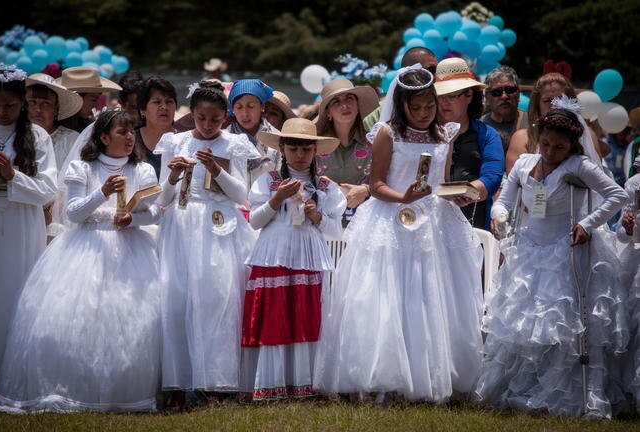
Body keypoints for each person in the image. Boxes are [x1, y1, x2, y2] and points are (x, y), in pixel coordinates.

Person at [314, 66, 484, 404]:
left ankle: (431, 374)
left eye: (429, 107)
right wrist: (403, 197)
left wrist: (457, 194)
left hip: (434, 220)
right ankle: (386, 379)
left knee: (432, 295)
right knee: (390, 297)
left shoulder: (444, 135)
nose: (423, 114)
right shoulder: (387, 133)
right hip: (391, 217)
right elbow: (376, 185)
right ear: (402, 104)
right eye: (416, 108)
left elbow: (441, 180)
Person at [0, 109, 162, 412]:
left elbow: (156, 212)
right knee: (80, 316)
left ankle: (128, 387)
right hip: (87, 246)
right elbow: (73, 213)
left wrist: (131, 219)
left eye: (131, 132)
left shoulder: (143, 170)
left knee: (134, 317)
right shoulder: (83, 167)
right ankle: (71, 386)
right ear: (104, 137)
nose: (130, 137)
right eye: (122, 132)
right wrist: (103, 192)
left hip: (132, 247)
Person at [475, 105, 628, 419]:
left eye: (559, 147)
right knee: (524, 323)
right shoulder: (524, 163)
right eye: (545, 144)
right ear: (537, 138)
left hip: (565, 248)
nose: (551, 152)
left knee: (560, 322)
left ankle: (564, 391)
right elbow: (505, 199)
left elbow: (617, 195)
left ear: (572, 145)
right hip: (530, 248)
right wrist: (500, 214)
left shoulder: (578, 166)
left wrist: (588, 223)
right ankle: (523, 388)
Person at [154, 81, 260, 410]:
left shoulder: (235, 144)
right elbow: (163, 198)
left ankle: (217, 381)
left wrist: (217, 169)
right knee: (178, 300)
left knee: (218, 300)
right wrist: (173, 177)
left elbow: (242, 195)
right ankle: (177, 382)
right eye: (201, 118)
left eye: (215, 120)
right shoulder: (176, 142)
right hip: (183, 224)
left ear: (225, 118)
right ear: (192, 115)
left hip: (220, 225)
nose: (208, 125)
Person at [240, 118, 346, 402]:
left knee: (305, 314)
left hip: (308, 254)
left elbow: (336, 229)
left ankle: (305, 382)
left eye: (306, 149)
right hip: (273, 253)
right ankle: (271, 383)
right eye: (294, 148)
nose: (300, 155)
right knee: (275, 313)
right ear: (283, 150)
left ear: (315, 152)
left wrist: (317, 216)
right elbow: (255, 221)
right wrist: (277, 199)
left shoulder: (325, 187)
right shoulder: (268, 181)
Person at [0, 65, 58, 389]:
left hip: (21, 224)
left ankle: (12, 368)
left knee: (17, 292)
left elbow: (47, 190)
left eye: (10, 106)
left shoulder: (37, 136)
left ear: (22, 105)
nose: (2, 112)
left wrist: (13, 176)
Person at [435, 57, 504, 230]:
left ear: (468, 95)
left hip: (473, 227)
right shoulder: (424, 135)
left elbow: (492, 177)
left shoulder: (488, 135)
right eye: (439, 97)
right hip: (430, 225)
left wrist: (468, 192)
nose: (443, 103)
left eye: (450, 96)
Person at [25, 73, 83, 238]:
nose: (38, 110)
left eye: (46, 104)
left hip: (59, 217)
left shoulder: (72, 140)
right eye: (33, 103)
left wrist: (51, 208)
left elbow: (75, 180)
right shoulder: (14, 137)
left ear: (56, 108)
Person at [315, 78, 379, 226]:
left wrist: (366, 189)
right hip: (324, 225)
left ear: (357, 106)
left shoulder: (376, 141)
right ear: (328, 112)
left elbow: (391, 179)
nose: (344, 105)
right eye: (336, 101)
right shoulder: (315, 146)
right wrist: (319, 184)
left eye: (349, 98)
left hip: (366, 224)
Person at [506, 73, 578, 173]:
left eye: (559, 99)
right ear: (537, 105)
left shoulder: (586, 136)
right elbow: (514, 179)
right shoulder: (522, 138)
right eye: (547, 100)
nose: (553, 106)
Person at [363, 46, 438, 132]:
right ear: (412, 73)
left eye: (430, 106)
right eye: (431, 69)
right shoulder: (376, 116)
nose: (436, 75)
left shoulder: (443, 101)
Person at [226, 79, 278, 187]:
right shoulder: (225, 138)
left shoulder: (276, 138)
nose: (245, 113)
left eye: (251, 106)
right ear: (232, 109)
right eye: (239, 107)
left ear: (262, 106)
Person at [57, 66, 122, 133]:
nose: (95, 105)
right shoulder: (51, 128)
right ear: (76, 99)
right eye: (94, 100)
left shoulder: (90, 128)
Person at [136, 76, 177, 180]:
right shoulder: (130, 141)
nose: (164, 107)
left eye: (169, 102)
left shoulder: (185, 141)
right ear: (142, 110)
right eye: (157, 102)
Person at [481, 66, 528, 153]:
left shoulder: (532, 124)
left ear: (518, 93)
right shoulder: (479, 127)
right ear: (487, 97)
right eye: (497, 92)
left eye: (510, 90)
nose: (504, 96)